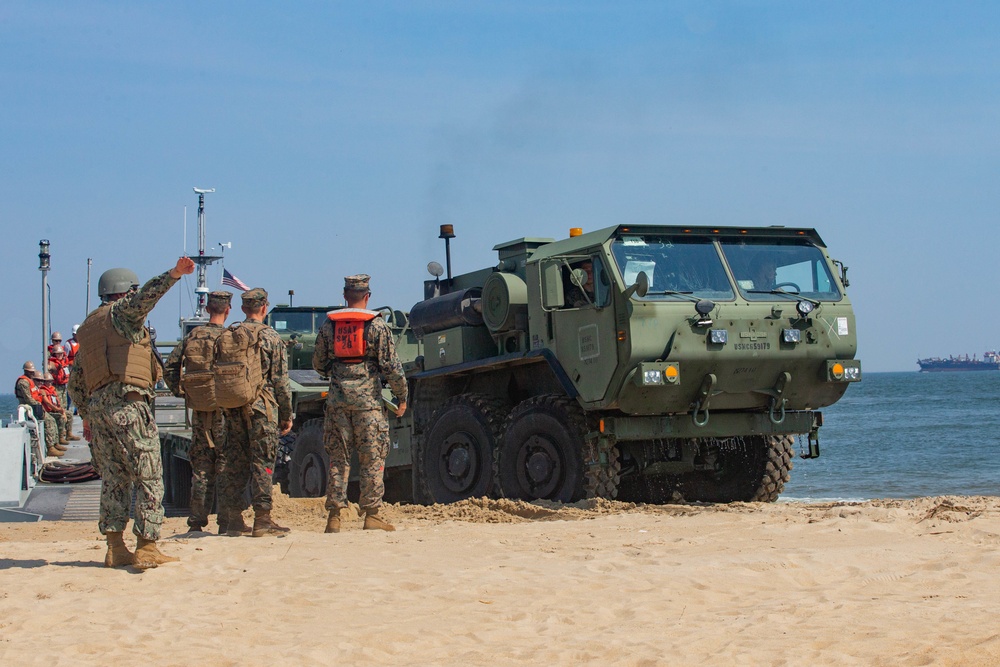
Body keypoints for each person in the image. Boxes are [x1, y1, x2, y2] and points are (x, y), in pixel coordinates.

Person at [67, 257, 195, 569]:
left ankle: (115, 547)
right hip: (128, 404)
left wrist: (86, 416)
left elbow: (75, 383)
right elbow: (146, 298)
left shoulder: (88, 328)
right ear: (126, 293)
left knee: (114, 478)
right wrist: (175, 274)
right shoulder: (122, 315)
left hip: (99, 411)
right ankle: (147, 546)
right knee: (149, 473)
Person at [312, 274, 407, 533]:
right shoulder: (377, 326)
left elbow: (318, 364)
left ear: (344, 295)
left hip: (337, 403)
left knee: (338, 459)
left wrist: (337, 372)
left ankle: (334, 517)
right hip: (369, 406)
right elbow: (392, 367)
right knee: (372, 459)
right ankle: (372, 515)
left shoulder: (329, 326)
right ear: (368, 296)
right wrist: (402, 396)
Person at [215, 287, 293, 538]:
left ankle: (233, 519)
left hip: (233, 406)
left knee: (234, 464)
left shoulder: (230, 334)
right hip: (262, 408)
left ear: (242, 309)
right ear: (264, 308)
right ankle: (262, 519)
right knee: (263, 462)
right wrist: (286, 415)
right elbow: (281, 381)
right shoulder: (271, 337)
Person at [162, 290, 233, 534]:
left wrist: (182, 393)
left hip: (200, 410)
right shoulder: (231, 337)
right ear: (228, 310)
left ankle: (196, 522)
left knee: (201, 466)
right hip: (226, 411)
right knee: (226, 465)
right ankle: (225, 521)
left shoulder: (194, 336)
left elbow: (170, 367)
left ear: (207, 310)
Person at [15, 361, 64, 457]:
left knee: (52, 420)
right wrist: (38, 405)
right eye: (30, 371)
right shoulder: (23, 382)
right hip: (31, 408)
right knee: (49, 421)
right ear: (26, 371)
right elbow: (28, 398)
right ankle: (50, 447)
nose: (32, 373)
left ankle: (55, 443)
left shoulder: (30, 381)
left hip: (36, 406)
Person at [48, 345, 79, 441]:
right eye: (58, 354)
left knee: (66, 409)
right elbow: (48, 368)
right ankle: (61, 435)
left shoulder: (64, 362)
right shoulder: (52, 363)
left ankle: (68, 433)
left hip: (64, 387)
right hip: (56, 387)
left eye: (61, 353)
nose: (60, 355)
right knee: (60, 409)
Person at [38, 371, 70, 448]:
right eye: (47, 381)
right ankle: (57, 441)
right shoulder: (42, 391)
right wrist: (58, 410)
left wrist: (62, 411)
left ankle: (68, 434)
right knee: (58, 418)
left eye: (50, 381)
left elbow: (58, 402)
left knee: (69, 414)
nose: (49, 383)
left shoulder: (53, 390)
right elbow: (48, 403)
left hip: (55, 410)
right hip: (49, 412)